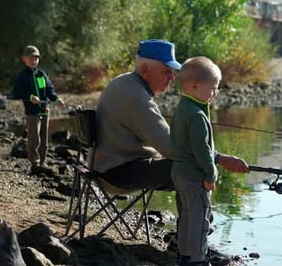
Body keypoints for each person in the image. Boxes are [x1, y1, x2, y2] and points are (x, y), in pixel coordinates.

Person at [92, 39, 249, 243]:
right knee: (191, 169)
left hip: (106, 166)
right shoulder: (136, 97)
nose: (172, 77)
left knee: (186, 167)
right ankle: (191, 240)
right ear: (145, 69)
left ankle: (191, 235)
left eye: (173, 71)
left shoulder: (126, 83)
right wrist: (219, 159)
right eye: (166, 71)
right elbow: (174, 150)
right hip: (115, 173)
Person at [170, 56, 249, 266]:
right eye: (213, 88)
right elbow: (202, 150)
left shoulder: (182, 108)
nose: (215, 93)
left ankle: (184, 255)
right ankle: (197, 259)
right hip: (195, 176)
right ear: (195, 86)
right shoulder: (197, 115)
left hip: (179, 172)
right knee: (200, 218)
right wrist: (210, 173)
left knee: (187, 216)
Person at [13, 45, 65, 172]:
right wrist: (30, 97)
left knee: (44, 137)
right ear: (24, 59)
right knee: (33, 137)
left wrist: (56, 99)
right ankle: (34, 163)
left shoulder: (42, 75)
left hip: (45, 110)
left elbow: (49, 91)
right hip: (32, 112)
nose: (34, 60)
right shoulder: (23, 76)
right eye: (31, 58)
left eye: (36, 58)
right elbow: (17, 92)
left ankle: (43, 161)